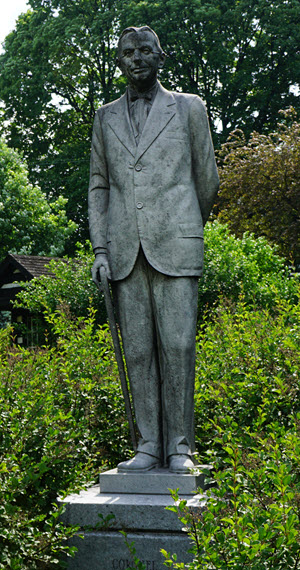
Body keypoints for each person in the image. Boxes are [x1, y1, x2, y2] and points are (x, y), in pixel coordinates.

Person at [88, 26, 219, 473]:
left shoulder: (188, 108)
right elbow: (99, 186)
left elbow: (207, 179)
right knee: (139, 351)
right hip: (125, 251)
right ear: (120, 61)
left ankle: (179, 446)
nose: (136, 58)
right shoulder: (104, 118)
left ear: (160, 56)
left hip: (176, 245)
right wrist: (101, 247)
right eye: (128, 52)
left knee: (179, 346)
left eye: (145, 50)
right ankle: (148, 444)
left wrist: (180, 224)